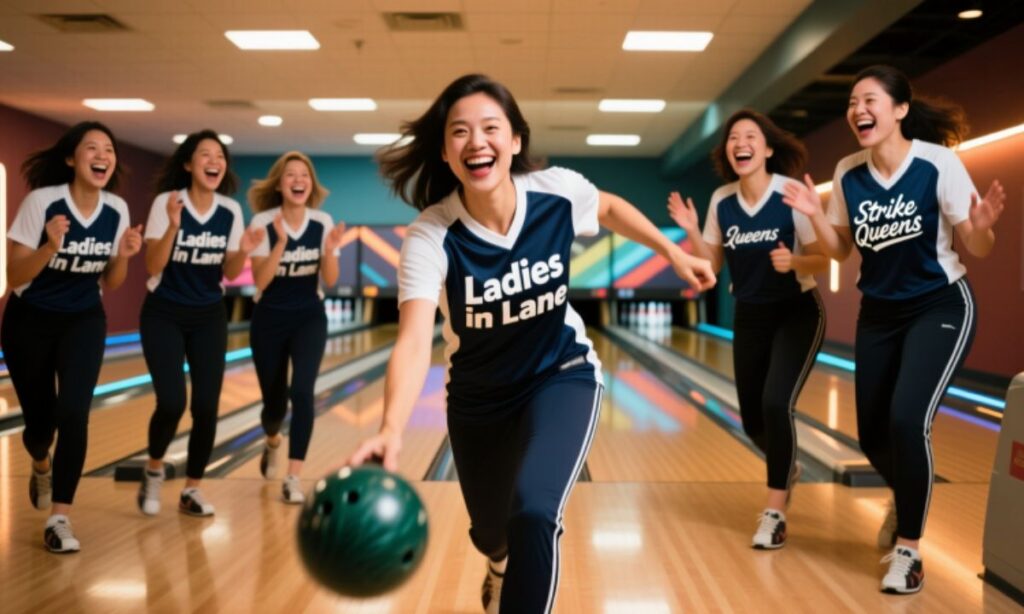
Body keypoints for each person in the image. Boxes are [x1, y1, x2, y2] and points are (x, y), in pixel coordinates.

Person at [346, 74, 716, 614]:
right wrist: (390, 428)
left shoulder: (556, 193)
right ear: (446, 152)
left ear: (515, 140)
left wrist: (673, 253)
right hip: (478, 399)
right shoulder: (432, 235)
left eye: (491, 128)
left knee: (535, 513)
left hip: (560, 374)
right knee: (495, 533)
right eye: (460, 132)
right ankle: (499, 565)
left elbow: (609, 207)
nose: (477, 142)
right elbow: (412, 338)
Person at [783, 65, 1005, 594]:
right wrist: (817, 213)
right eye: (852, 102)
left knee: (908, 421)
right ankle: (904, 495)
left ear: (899, 109)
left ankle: (909, 550)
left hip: (939, 305)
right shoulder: (849, 171)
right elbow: (840, 250)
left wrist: (981, 227)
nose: (858, 109)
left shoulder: (937, 163)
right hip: (878, 312)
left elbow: (977, 247)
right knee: (872, 435)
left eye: (869, 100)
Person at [669, 109, 827, 550]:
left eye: (750, 135)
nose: (740, 142)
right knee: (754, 419)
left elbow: (822, 258)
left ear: (768, 148)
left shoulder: (789, 193)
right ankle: (787, 466)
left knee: (777, 404)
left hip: (797, 311)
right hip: (750, 314)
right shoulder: (722, 200)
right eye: (733, 137)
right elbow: (713, 265)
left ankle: (775, 510)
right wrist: (689, 232)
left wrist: (795, 261)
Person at [2, 121, 143, 552]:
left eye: (109, 149)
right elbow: (13, 275)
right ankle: (40, 461)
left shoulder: (116, 210)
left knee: (74, 413)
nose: (102, 154)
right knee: (40, 426)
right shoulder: (42, 203)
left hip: (83, 318)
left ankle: (60, 517)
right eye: (91, 147)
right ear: (70, 158)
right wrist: (49, 246)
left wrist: (123, 256)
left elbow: (112, 281)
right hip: (30, 320)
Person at [136, 129, 262, 517]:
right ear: (189, 164)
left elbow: (230, 271)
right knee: (172, 402)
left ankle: (192, 489)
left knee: (207, 407)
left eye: (220, 155)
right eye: (205, 154)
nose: (214, 161)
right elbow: (153, 265)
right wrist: (174, 225)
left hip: (209, 313)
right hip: (164, 312)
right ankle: (154, 469)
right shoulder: (167, 203)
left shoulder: (230, 211)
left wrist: (243, 250)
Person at [247, 151, 345, 504]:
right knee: (273, 407)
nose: (298, 180)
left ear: (311, 184)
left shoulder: (321, 222)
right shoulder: (262, 222)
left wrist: (331, 251)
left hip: (308, 316)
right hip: (268, 319)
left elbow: (330, 279)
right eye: (291, 175)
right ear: (279, 183)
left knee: (302, 393)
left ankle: (294, 476)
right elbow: (260, 280)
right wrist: (281, 244)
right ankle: (272, 440)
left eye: (304, 175)